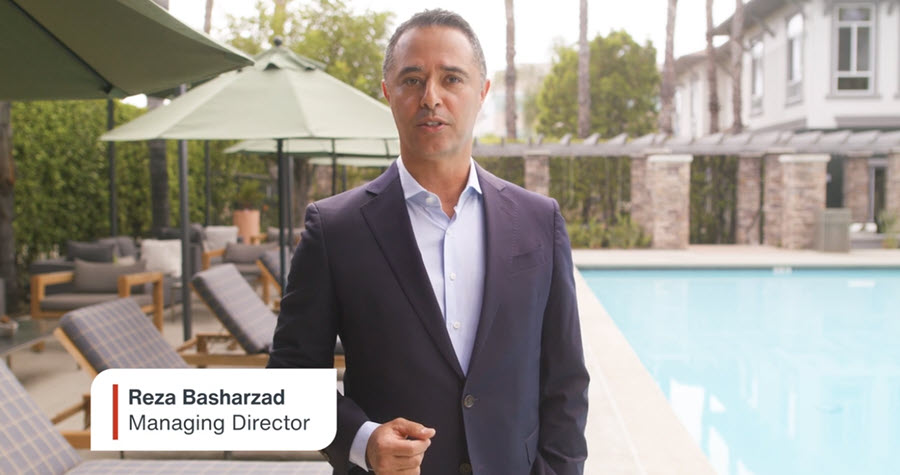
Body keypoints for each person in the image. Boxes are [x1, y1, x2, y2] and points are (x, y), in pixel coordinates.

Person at [268, 9, 589, 474]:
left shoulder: (541, 221)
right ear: (388, 93)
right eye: (412, 79)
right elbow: (290, 377)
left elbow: (565, 381)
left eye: (452, 79)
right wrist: (363, 442)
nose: (431, 97)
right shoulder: (334, 229)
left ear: (482, 93)